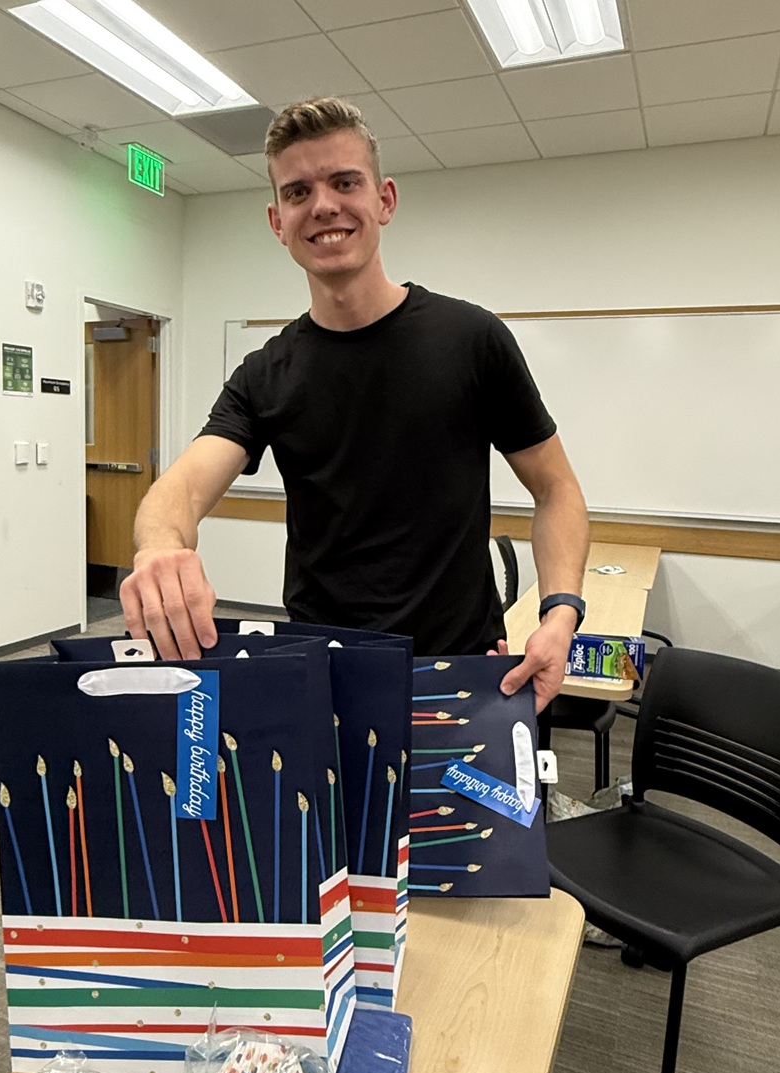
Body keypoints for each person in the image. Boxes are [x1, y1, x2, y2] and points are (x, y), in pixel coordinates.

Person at [120, 96, 590, 710]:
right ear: (277, 221)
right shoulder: (265, 374)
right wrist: (159, 548)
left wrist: (561, 613)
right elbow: (179, 490)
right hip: (322, 678)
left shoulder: (472, 340)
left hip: (464, 672)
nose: (323, 206)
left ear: (384, 200)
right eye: (298, 192)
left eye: (345, 182)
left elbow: (556, 489)